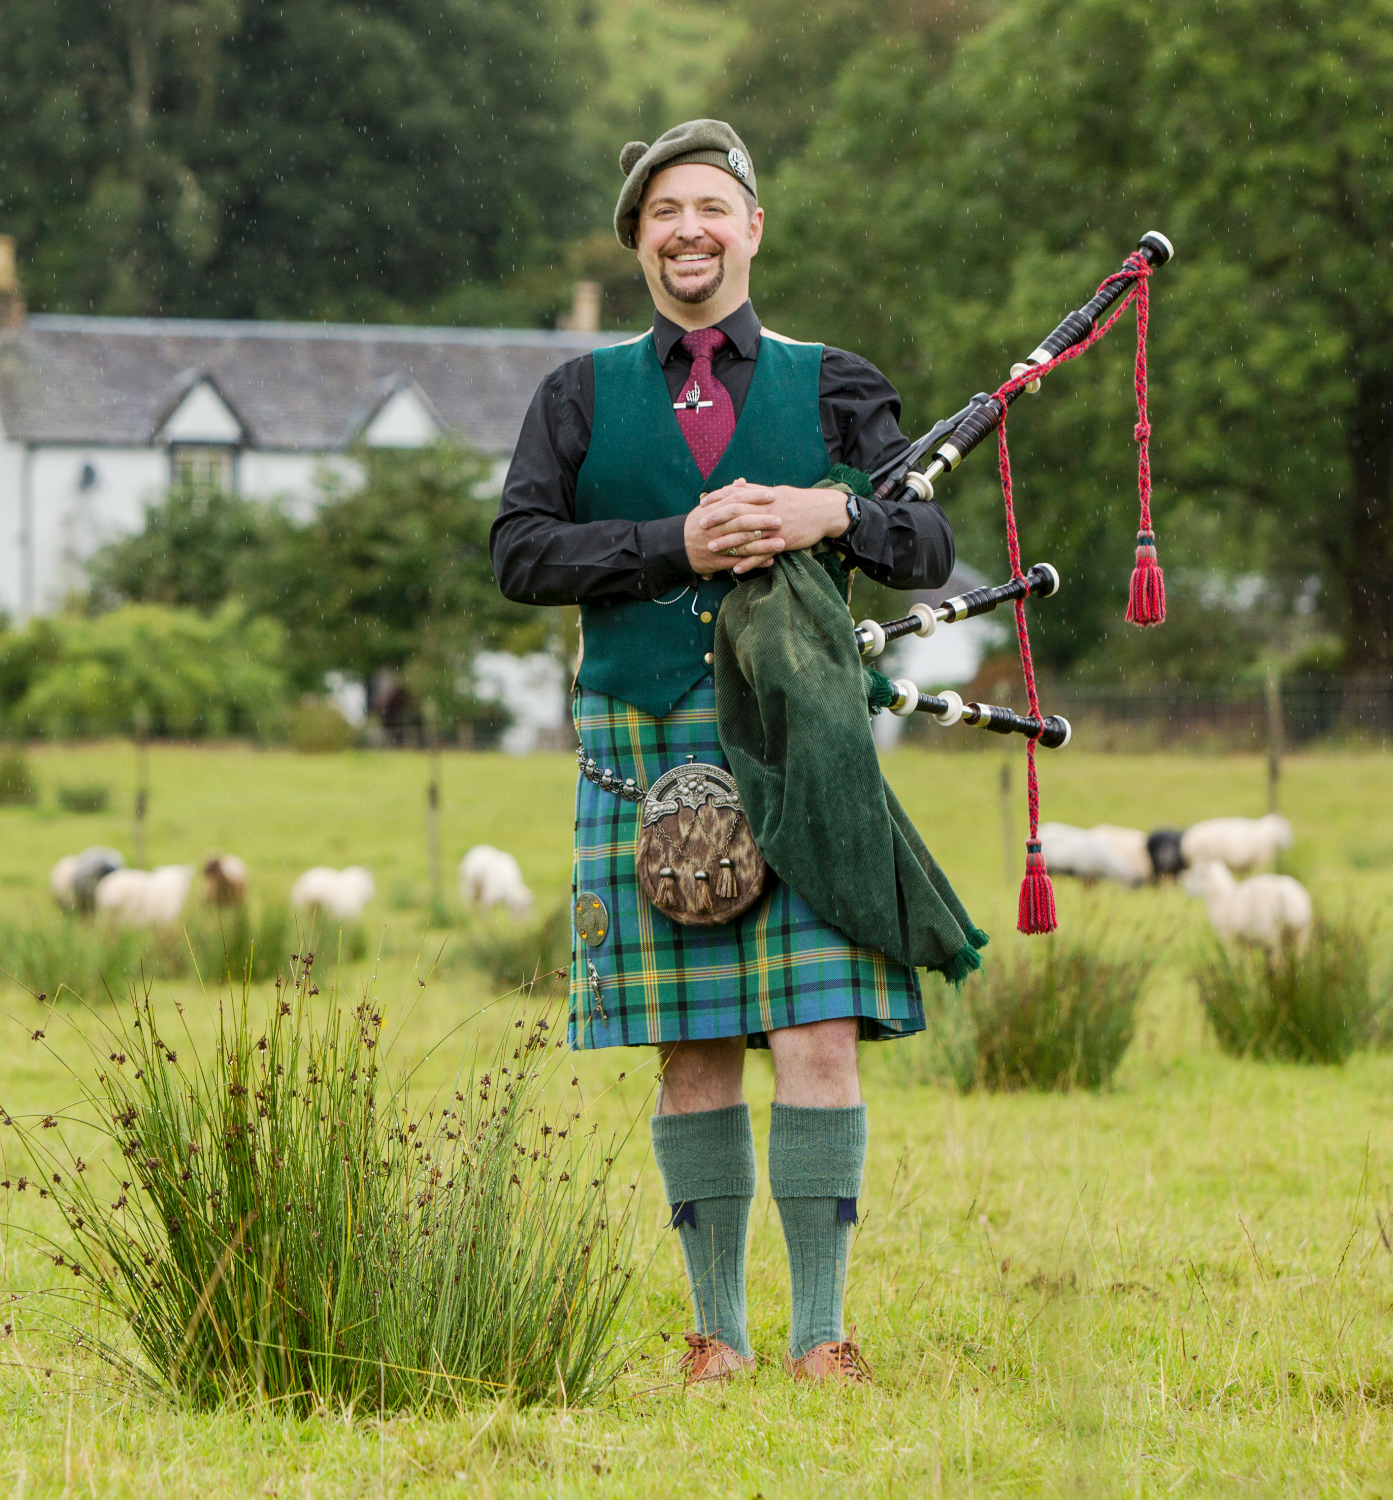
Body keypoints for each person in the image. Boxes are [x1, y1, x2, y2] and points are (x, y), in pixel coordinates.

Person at [491, 119, 957, 1388]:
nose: (685, 231)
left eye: (709, 208)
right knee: (690, 1044)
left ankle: (820, 1338)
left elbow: (926, 544)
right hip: (646, 750)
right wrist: (670, 548)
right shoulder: (578, 394)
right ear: (637, 240)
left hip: (799, 740)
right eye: (660, 215)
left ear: (751, 226)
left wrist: (836, 511)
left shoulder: (835, 381)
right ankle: (717, 1339)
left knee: (816, 1029)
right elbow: (519, 554)